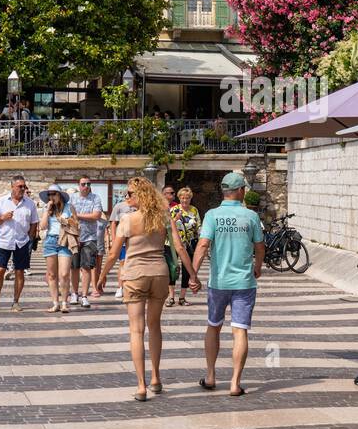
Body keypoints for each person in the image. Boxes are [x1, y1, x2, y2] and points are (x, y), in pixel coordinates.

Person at [97, 177, 201, 401]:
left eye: (130, 194)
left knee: (136, 330)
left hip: (135, 275)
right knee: (154, 326)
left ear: (141, 195)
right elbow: (180, 247)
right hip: (160, 273)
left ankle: (141, 385)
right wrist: (193, 275)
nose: (127, 197)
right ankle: (155, 377)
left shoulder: (128, 219)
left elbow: (114, 253)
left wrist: (101, 276)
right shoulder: (163, 217)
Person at [193, 172, 264, 397]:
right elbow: (260, 246)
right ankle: (235, 383)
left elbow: (203, 245)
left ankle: (211, 375)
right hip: (244, 281)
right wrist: (258, 266)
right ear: (241, 191)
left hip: (219, 281)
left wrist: (193, 275)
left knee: (213, 325)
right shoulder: (250, 216)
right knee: (240, 330)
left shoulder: (212, 215)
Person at [0, 175, 37, 312]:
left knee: (19, 272)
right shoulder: (2, 201)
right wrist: (3, 217)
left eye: (24, 186)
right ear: (12, 187)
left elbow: (34, 222)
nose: (23, 188)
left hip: (22, 242)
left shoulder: (30, 203)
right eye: (20, 186)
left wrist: (30, 238)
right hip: (5, 240)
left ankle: (16, 302)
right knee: (0, 270)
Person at [39, 187, 78, 314]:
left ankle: (65, 303)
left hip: (65, 240)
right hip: (50, 240)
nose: (51, 197)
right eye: (49, 195)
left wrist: (65, 221)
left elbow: (76, 224)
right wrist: (47, 210)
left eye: (53, 194)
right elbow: (43, 226)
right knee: (52, 275)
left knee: (65, 274)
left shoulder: (69, 207)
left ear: (59, 195)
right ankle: (55, 303)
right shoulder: (48, 209)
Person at [70, 177, 104, 308]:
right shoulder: (72, 198)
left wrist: (77, 215)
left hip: (90, 237)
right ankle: (74, 293)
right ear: (78, 185)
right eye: (83, 184)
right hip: (74, 236)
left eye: (88, 184)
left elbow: (96, 216)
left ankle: (84, 296)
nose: (86, 186)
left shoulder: (95, 198)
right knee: (74, 267)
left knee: (86, 267)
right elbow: (68, 215)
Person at [168, 187, 201, 306]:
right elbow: (167, 225)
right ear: (179, 198)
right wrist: (176, 218)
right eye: (182, 198)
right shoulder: (174, 209)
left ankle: (182, 297)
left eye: (187, 198)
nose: (184, 200)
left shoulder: (194, 210)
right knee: (172, 268)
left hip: (189, 243)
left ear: (190, 198)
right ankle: (171, 297)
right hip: (174, 243)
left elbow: (199, 227)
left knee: (187, 269)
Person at [107, 190, 133, 300]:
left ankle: (130, 287)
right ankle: (120, 287)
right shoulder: (119, 206)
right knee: (122, 262)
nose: (128, 196)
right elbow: (113, 222)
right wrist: (114, 239)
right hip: (122, 237)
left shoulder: (140, 206)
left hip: (134, 239)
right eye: (128, 194)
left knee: (133, 262)